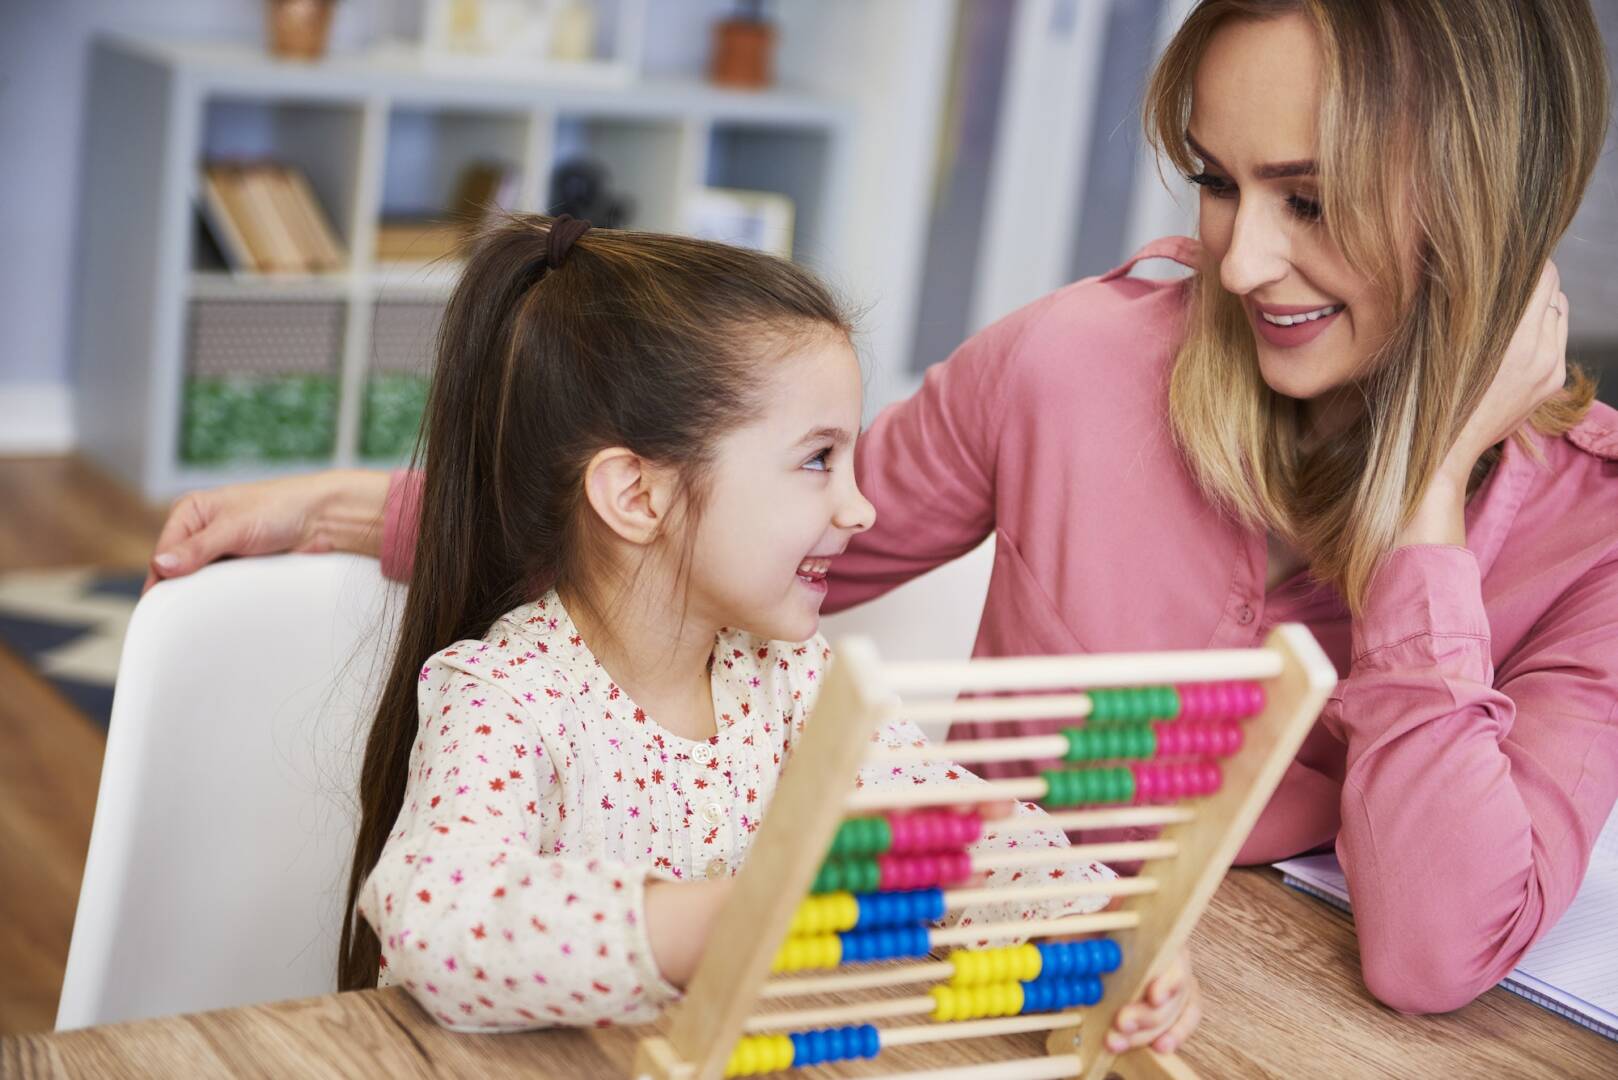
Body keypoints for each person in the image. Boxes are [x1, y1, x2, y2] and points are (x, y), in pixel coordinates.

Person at [146, 0, 1616, 1016]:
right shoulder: (1071, 363)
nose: (1235, 265)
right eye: (1218, 184)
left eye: (1308, 193)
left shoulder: (1587, 531)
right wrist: (367, 506)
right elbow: (718, 522)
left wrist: (1423, 509)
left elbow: (1434, 952)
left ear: (1487, 192)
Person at [312, 213, 1198, 1049]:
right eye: (817, 460)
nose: (859, 507)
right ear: (639, 496)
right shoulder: (506, 699)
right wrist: (720, 920)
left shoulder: (793, 682)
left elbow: (959, 833)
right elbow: (439, 920)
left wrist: (1100, 931)